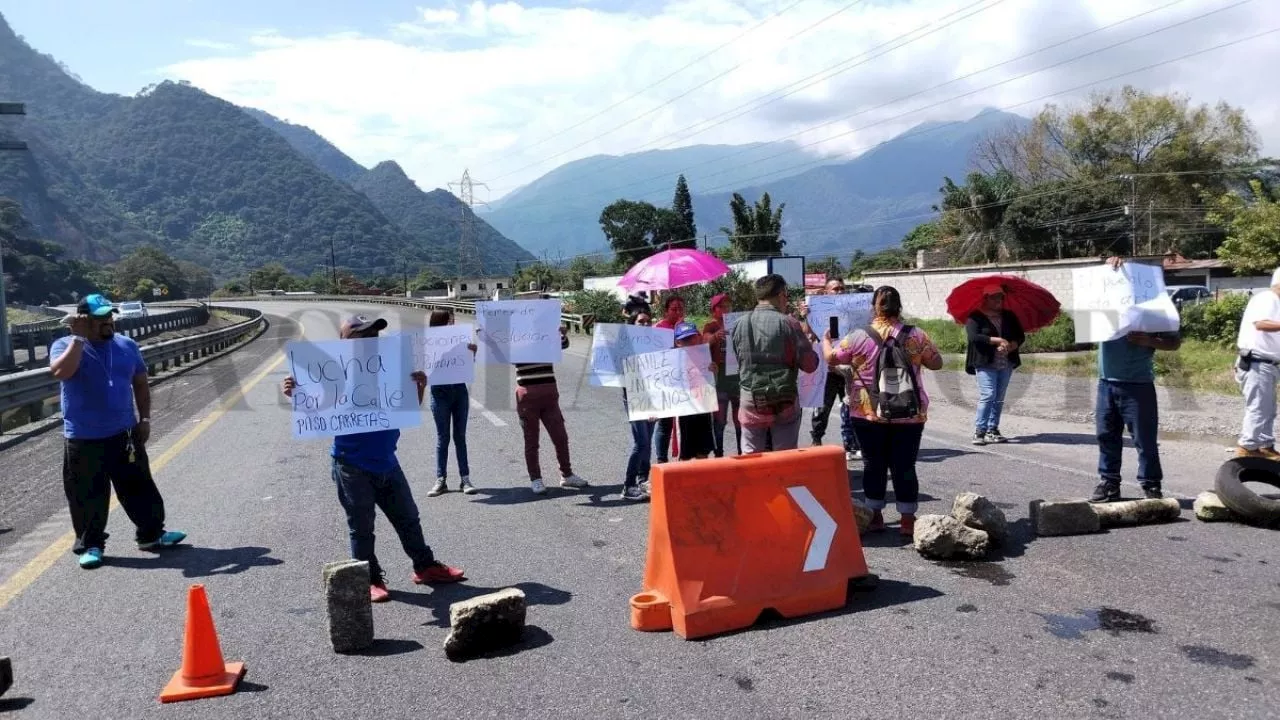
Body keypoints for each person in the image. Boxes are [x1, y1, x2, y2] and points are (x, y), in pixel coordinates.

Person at [282, 315, 464, 602]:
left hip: (387, 461)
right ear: (344, 342)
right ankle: (370, 578)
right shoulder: (331, 372)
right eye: (363, 335)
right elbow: (316, 415)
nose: (371, 340)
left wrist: (419, 387)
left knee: (408, 518)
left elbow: (404, 411)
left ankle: (425, 567)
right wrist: (298, 391)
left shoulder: (387, 367)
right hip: (351, 465)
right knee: (362, 527)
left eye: (374, 335)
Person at [49, 293, 187, 569]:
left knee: (140, 487)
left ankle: (151, 535)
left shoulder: (126, 345)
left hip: (124, 433)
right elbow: (61, 373)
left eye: (109, 316)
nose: (108, 322)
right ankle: (91, 545)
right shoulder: (65, 345)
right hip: (83, 437)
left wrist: (145, 419)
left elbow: (141, 384)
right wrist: (78, 338)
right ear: (82, 321)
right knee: (88, 495)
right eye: (100, 318)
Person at [824, 286, 943, 536]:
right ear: (899, 307)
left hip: (868, 412)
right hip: (910, 413)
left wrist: (826, 342)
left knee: (873, 464)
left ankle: (875, 516)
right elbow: (937, 363)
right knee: (905, 465)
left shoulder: (858, 336)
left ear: (873, 307)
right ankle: (907, 520)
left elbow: (832, 359)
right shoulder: (916, 335)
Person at [1090, 257, 1181, 503]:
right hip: (1106, 382)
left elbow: (1174, 342)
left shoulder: (1154, 307)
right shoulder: (1105, 304)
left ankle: (1151, 485)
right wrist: (1109, 266)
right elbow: (1089, 320)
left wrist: (1150, 341)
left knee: (1144, 439)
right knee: (1106, 435)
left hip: (1138, 385)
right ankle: (1109, 482)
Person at [731, 274, 820, 453]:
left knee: (751, 455)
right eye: (786, 295)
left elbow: (739, 359)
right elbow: (809, 366)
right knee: (784, 456)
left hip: (751, 397)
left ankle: (755, 480)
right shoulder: (790, 323)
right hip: (784, 399)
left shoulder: (739, 324)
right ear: (781, 295)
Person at [514, 299, 588, 495]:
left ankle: (567, 474)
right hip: (527, 395)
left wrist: (561, 334)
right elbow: (507, 356)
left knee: (560, 437)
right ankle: (536, 479)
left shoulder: (547, 335)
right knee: (531, 440)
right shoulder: (515, 339)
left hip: (549, 394)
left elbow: (563, 345)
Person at [799, 278, 862, 460]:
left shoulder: (851, 311)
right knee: (822, 407)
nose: (839, 291)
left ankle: (851, 443)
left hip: (848, 368)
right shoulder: (817, 311)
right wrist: (807, 315)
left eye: (842, 288)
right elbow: (808, 334)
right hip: (827, 369)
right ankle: (816, 440)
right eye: (835, 289)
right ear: (826, 292)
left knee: (850, 405)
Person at [425, 309, 478, 497]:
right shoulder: (428, 342)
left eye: (453, 321)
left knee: (460, 437)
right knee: (443, 438)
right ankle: (441, 479)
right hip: (439, 394)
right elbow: (424, 370)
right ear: (438, 322)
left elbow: (467, 366)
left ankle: (465, 478)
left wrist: (473, 352)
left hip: (459, 392)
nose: (452, 325)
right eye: (448, 321)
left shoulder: (460, 340)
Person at [964, 285, 1026, 445]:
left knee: (999, 397)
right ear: (986, 299)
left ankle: (993, 430)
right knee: (988, 394)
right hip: (984, 362)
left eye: (1000, 297)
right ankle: (980, 431)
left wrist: (1010, 346)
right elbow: (973, 337)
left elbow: (1020, 336)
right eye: (994, 297)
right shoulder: (975, 317)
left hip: (1005, 362)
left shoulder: (1009, 316)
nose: (998, 300)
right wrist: (997, 340)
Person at [1235, 268, 1280, 459]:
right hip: (1256, 362)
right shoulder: (1267, 298)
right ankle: (1247, 447)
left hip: (1268, 364)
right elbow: (1260, 324)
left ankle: (1265, 445)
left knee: (1269, 408)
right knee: (1259, 407)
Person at [620, 310, 656, 501]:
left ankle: (643, 480)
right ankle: (628, 485)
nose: (645, 325)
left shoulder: (656, 344)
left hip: (653, 399)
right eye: (641, 322)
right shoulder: (626, 345)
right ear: (633, 324)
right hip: (634, 398)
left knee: (647, 442)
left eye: (648, 321)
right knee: (640, 442)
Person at [701, 293, 742, 457]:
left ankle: (742, 452)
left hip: (737, 377)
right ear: (714, 310)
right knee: (720, 420)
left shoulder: (736, 323)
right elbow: (703, 342)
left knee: (740, 419)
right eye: (722, 306)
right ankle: (719, 454)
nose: (726, 309)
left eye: (728, 306)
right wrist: (714, 337)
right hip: (720, 378)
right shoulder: (710, 326)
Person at [673, 321, 717, 460]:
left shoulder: (705, 356)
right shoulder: (670, 360)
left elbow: (712, 384)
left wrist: (714, 372)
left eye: (692, 337)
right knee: (685, 454)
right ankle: (684, 480)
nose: (689, 342)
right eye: (685, 339)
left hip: (703, 408)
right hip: (683, 412)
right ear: (678, 342)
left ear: (698, 337)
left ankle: (703, 480)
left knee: (703, 451)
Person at [652, 295, 686, 463]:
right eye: (674, 309)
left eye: (681, 308)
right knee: (665, 424)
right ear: (666, 311)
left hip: (684, 382)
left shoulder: (688, 327)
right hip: (664, 382)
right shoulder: (658, 328)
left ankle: (684, 460)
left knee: (684, 424)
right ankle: (661, 461)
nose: (678, 312)